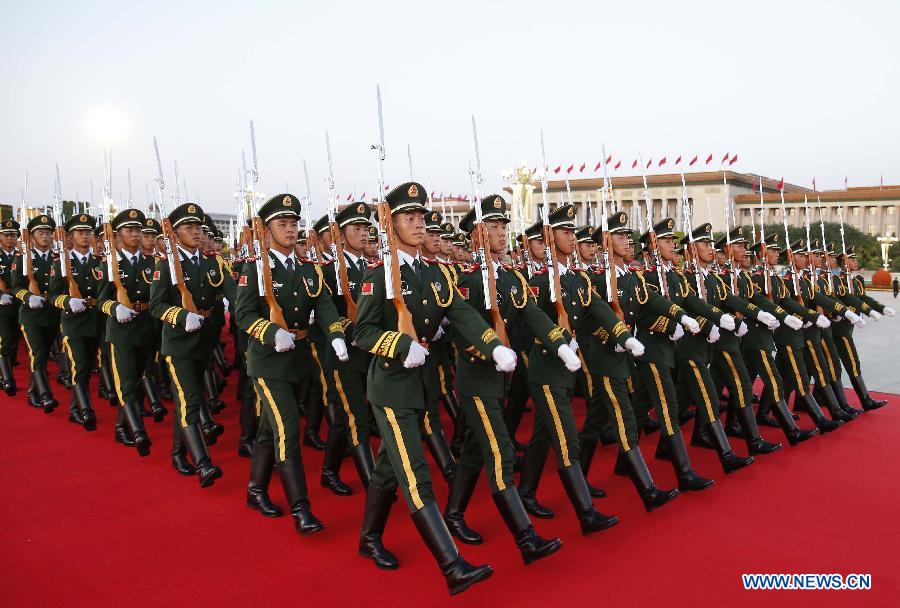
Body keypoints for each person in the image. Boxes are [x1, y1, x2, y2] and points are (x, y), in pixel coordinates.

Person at [353, 181, 515, 594]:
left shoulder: (434, 272)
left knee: (389, 466)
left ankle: (368, 537)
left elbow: (462, 315)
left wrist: (493, 347)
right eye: (410, 217)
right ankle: (452, 566)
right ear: (390, 225)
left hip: (420, 387)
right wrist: (398, 345)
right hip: (390, 388)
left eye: (422, 216)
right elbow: (363, 331)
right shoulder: (379, 274)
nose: (420, 223)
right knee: (414, 473)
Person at [441, 194, 563, 564]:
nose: (501, 233)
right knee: (501, 453)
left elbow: (532, 313)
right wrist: (491, 351)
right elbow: (460, 332)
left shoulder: (510, 275)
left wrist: (558, 343)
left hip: (500, 378)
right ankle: (526, 539)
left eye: (503, 226)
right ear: (476, 235)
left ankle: (454, 513)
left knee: (477, 450)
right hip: (477, 377)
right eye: (492, 227)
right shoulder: (464, 279)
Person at [235, 193, 349, 534]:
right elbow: (243, 314)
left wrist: (335, 334)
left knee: (270, 431)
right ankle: (302, 509)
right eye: (282, 224)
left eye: (293, 223)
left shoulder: (308, 268)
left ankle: (255, 490)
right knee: (287, 428)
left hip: (297, 358)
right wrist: (270, 333)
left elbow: (324, 304)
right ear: (266, 231)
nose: (289, 229)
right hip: (268, 362)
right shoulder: (255, 267)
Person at [149, 202, 234, 484]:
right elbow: (157, 306)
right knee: (188, 400)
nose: (196, 232)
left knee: (191, 397)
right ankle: (203, 463)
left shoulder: (214, 262)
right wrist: (180, 316)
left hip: (205, 339)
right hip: (178, 343)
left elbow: (234, 295)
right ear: (174, 234)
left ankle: (177, 452)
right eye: (189, 228)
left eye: (198, 227)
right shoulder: (167, 265)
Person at [96, 209, 157, 456]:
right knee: (126, 381)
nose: (134, 234)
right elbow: (101, 300)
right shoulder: (109, 265)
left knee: (140, 375)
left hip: (145, 328)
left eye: (137, 230)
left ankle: (121, 427)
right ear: (118, 234)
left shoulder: (151, 263)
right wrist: (115, 308)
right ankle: (138, 430)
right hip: (121, 330)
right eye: (129, 230)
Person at [48, 213, 104, 430]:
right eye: (80, 232)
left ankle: (74, 410)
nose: (84, 236)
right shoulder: (62, 263)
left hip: (94, 320)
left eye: (88, 232)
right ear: (70, 235)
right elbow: (53, 296)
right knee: (79, 366)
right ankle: (87, 411)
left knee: (88, 366)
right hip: (73, 322)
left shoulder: (99, 262)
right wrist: (68, 302)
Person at [12, 214, 61, 412]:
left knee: (41, 354)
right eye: (41, 233)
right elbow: (16, 287)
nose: (46, 237)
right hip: (30, 315)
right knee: (38, 353)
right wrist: (27, 297)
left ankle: (33, 392)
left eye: (48, 233)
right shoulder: (23, 259)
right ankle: (46, 395)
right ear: (32, 236)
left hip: (51, 313)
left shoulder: (58, 259)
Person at [0, 218, 22, 395]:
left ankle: (8, 366)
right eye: (6, 235)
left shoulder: (21, 256)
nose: (10, 239)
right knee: (5, 340)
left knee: (14, 339)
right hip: (2, 305)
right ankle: (7, 378)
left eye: (13, 235)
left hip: (19, 303)